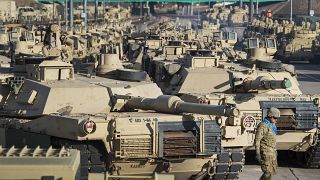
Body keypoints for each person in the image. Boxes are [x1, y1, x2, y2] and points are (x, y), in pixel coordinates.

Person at [255, 107, 280, 180]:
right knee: (267, 173)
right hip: (266, 152)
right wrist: (258, 154)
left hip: (272, 152)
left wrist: (275, 150)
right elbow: (257, 140)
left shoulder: (272, 125)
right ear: (270, 116)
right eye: (275, 118)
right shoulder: (263, 125)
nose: (276, 120)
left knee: (271, 172)